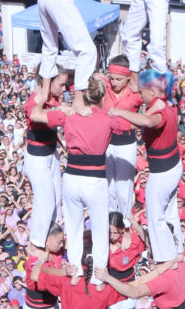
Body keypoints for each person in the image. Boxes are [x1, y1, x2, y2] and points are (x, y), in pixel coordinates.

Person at [28, 72, 128, 283]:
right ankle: (99, 278)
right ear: (100, 96)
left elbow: (35, 115)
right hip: (95, 179)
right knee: (100, 228)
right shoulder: (108, 118)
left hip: (72, 178)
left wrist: (52, 102)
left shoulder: (68, 114)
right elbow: (134, 124)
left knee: (73, 227)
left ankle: (75, 272)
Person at [107, 68, 182, 262]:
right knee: (170, 214)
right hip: (171, 167)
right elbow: (140, 122)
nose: (139, 96)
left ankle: (162, 259)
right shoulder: (165, 104)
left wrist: (119, 112)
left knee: (156, 218)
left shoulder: (160, 112)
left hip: (163, 172)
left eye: (141, 92)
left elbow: (147, 121)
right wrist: (117, 123)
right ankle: (177, 251)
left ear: (153, 92)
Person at [23, 69, 68, 248]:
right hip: (38, 157)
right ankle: (37, 243)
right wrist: (60, 110)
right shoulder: (34, 102)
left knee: (57, 199)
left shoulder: (53, 98)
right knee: (46, 201)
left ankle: (54, 237)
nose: (64, 89)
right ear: (48, 82)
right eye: (61, 84)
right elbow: (38, 115)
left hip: (51, 152)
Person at [104, 56, 143, 220]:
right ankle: (111, 222)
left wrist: (123, 124)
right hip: (106, 143)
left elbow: (144, 120)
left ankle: (126, 222)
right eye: (111, 78)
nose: (114, 83)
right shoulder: (104, 87)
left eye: (119, 79)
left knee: (123, 187)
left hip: (126, 143)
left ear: (128, 77)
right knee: (108, 186)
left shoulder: (136, 94)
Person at [104, 211, 147, 309]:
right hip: (109, 288)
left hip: (128, 289)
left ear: (122, 230)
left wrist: (136, 225)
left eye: (115, 233)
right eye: (109, 233)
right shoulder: (102, 242)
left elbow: (147, 241)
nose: (111, 236)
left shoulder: (132, 241)